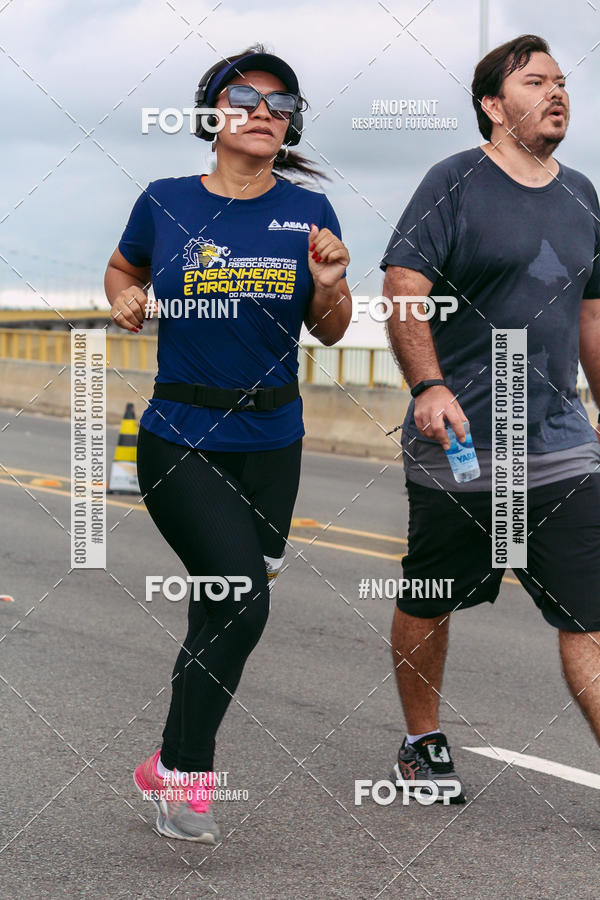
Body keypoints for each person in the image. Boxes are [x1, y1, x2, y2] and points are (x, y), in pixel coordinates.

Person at [104, 44, 351, 841]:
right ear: (212, 114)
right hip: (181, 435)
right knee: (243, 601)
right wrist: (127, 299)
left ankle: (166, 765)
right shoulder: (165, 200)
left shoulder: (311, 212)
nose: (263, 113)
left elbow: (330, 328)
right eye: (244, 99)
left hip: (276, 441)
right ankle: (187, 776)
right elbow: (122, 269)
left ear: (292, 124)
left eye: (281, 104)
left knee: (219, 609)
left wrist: (331, 286)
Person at [380, 34, 600, 803]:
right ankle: (422, 741)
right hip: (462, 442)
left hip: (561, 446)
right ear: (493, 105)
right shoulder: (454, 182)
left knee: (589, 614)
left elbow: (592, 315)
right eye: (535, 81)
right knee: (432, 595)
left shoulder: (584, 194)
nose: (556, 92)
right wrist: (427, 386)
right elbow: (404, 285)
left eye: (561, 81)